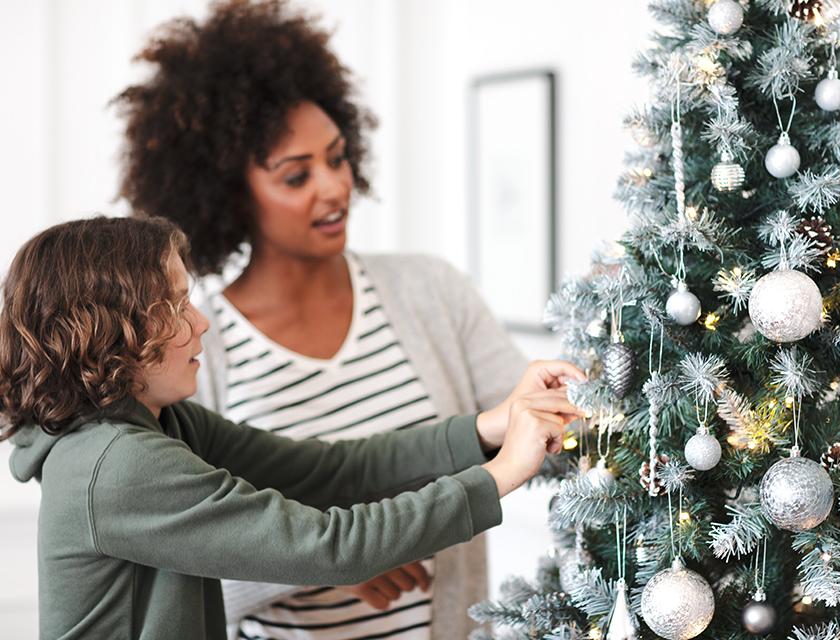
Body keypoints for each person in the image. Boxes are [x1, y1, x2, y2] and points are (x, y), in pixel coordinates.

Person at [113, 1, 529, 637]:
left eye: (336, 158)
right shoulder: (197, 347)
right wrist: (332, 558)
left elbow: (528, 423)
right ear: (230, 189)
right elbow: (177, 568)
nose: (334, 187)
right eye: (296, 174)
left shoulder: (430, 291)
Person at [0, 216, 583, 640]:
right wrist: (504, 472)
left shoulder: (157, 423)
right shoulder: (116, 464)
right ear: (112, 334)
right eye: (175, 308)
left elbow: (332, 471)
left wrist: (488, 426)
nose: (201, 322)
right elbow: (332, 547)